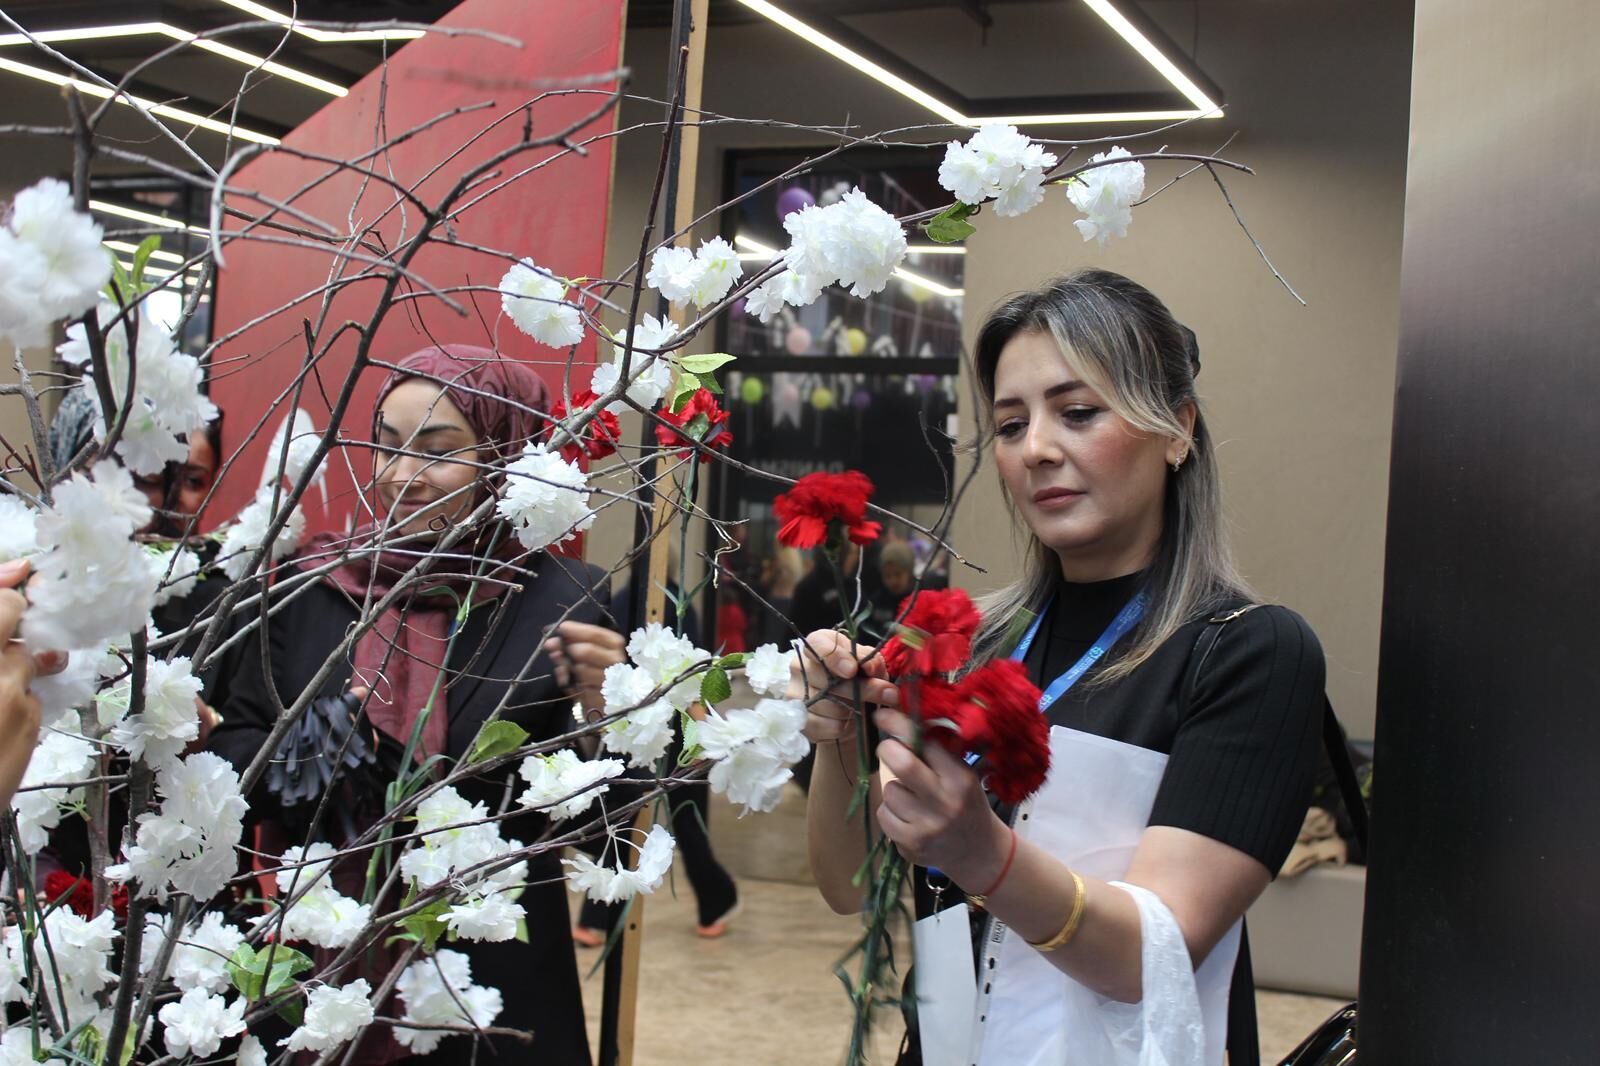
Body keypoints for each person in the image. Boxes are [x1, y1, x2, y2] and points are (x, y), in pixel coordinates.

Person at [798, 270, 1325, 1066]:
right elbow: (846, 889)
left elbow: (1154, 959)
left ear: (1176, 429)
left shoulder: (1246, 651)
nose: (1037, 448)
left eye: (1077, 413)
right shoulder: (970, 639)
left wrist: (985, 854)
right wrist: (839, 738)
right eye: (1011, 426)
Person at [209, 344, 623, 1065]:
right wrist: (311, 749)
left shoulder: (564, 601)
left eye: (437, 452)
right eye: (385, 446)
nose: (402, 476)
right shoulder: (308, 587)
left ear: (504, 456)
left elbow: (605, 829)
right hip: (311, 965)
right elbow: (235, 752)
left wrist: (601, 713)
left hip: (485, 981)